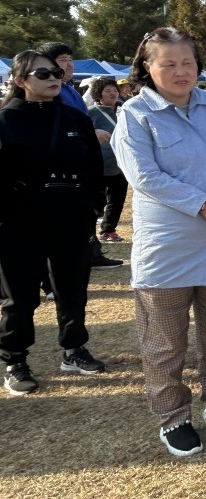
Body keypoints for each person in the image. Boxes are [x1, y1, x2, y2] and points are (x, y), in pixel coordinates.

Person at [113, 28, 206, 457]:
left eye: (188, 63)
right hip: (169, 244)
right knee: (164, 341)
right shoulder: (135, 113)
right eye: (169, 64)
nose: (181, 71)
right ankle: (173, 417)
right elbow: (144, 176)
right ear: (147, 67)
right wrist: (204, 204)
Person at [0, 50, 106, 396]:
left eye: (56, 73)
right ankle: (15, 360)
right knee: (20, 297)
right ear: (20, 81)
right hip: (19, 222)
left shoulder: (75, 118)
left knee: (72, 289)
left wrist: (93, 206)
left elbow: (93, 167)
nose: (53, 78)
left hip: (71, 218)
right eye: (42, 74)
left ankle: (74, 348)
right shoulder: (6, 120)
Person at [38, 41, 122, 269]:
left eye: (70, 59)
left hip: (82, 161)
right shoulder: (52, 93)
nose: (69, 65)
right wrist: (89, 133)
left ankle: (90, 252)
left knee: (86, 211)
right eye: (62, 60)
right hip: (63, 168)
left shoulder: (69, 89)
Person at [88, 76, 129, 243]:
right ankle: (89, 233)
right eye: (107, 91)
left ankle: (108, 230)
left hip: (120, 162)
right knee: (97, 200)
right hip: (99, 163)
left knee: (117, 198)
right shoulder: (91, 112)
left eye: (114, 90)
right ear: (98, 94)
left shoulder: (124, 110)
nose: (113, 93)